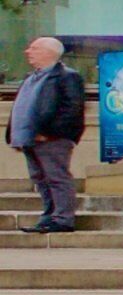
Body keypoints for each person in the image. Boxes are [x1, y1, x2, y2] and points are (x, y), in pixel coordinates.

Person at [14, 38, 86, 235]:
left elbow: (73, 109)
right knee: (40, 178)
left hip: (53, 139)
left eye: (34, 48)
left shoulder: (67, 77)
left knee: (56, 177)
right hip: (29, 138)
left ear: (49, 52)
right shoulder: (31, 77)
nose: (28, 51)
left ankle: (63, 218)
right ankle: (49, 216)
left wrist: (49, 133)